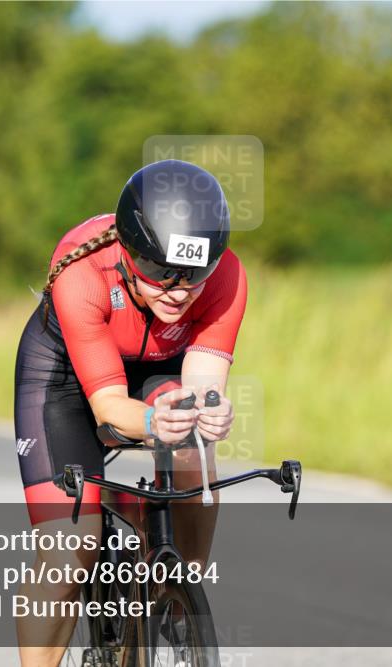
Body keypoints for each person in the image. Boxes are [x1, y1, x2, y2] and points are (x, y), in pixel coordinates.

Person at [13, 159, 247, 665]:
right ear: (129, 251)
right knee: (69, 553)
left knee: (195, 451)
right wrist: (150, 423)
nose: (179, 291)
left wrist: (210, 413)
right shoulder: (82, 273)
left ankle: (179, 595)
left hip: (160, 365)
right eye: (162, 273)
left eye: (195, 275)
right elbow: (108, 408)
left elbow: (203, 386)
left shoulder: (227, 275)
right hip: (65, 379)